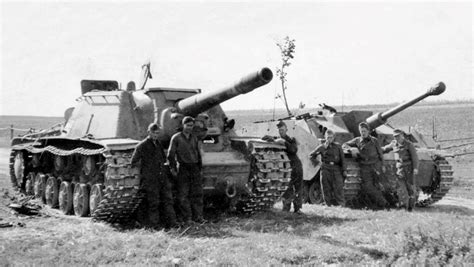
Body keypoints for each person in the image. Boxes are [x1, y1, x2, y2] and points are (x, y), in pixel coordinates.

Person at [131, 123, 177, 229]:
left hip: (162, 177)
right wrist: (146, 169)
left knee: (168, 200)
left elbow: (163, 158)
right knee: (153, 203)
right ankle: (154, 225)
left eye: (157, 133)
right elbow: (133, 161)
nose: (156, 135)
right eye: (154, 133)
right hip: (151, 178)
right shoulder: (142, 145)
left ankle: (172, 223)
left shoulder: (158, 144)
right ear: (149, 132)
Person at [167, 116, 205, 224]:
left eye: (191, 126)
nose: (189, 127)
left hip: (194, 167)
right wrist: (173, 168)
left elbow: (197, 153)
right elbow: (170, 154)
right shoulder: (176, 137)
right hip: (183, 167)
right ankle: (187, 218)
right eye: (187, 125)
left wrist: (200, 167)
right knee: (183, 195)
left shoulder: (194, 137)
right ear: (183, 125)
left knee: (197, 193)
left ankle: (198, 217)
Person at [342, 122, 388, 209]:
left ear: (368, 131)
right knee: (368, 186)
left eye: (364, 131)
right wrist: (349, 149)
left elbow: (380, 154)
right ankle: (383, 202)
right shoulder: (357, 140)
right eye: (361, 131)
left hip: (375, 165)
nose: (363, 133)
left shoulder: (374, 141)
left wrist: (383, 165)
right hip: (365, 166)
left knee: (379, 185)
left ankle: (379, 204)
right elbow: (344, 145)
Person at [382, 129, 419, 211]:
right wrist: (376, 149)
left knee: (411, 189)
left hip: (409, 168)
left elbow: (415, 157)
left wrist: (415, 168)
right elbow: (385, 149)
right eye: (395, 136)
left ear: (402, 135)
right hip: (400, 169)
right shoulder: (394, 144)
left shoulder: (409, 144)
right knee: (401, 189)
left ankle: (410, 207)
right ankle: (403, 207)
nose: (396, 138)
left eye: (398, 136)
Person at [309, 129, 346, 206]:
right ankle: (328, 204)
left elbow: (342, 159)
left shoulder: (338, 146)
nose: (329, 139)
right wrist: (319, 163)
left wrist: (344, 170)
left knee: (339, 187)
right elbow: (311, 156)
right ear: (325, 137)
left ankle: (341, 204)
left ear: (334, 137)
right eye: (328, 137)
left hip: (336, 168)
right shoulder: (322, 147)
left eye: (331, 137)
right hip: (326, 168)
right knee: (326, 188)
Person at [276, 121, 304, 214]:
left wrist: (284, 142)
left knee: (298, 188)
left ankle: (297, 208)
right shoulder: (277, 141)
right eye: (279, 130)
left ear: (286, 130)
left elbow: (293, 150)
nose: (281, 132)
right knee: (287, 188)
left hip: (296, 166)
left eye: (283, 130)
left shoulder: (291, 139)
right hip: (285, 168)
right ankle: (286, 207)